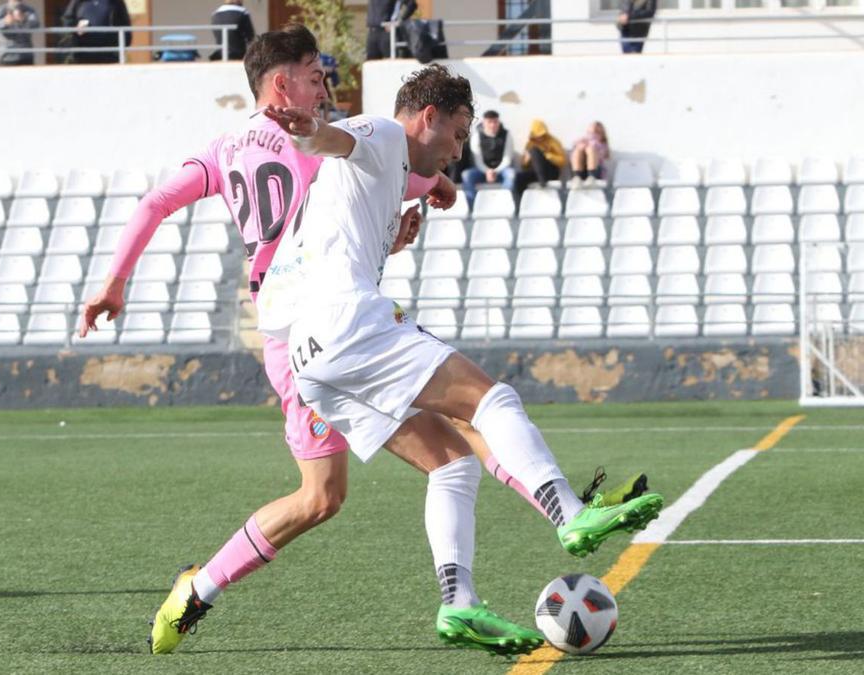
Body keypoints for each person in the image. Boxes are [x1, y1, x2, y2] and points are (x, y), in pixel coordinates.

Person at [78, 26, 640, 656]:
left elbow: (163, 201)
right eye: (317, 73)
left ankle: (203, 590)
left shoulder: (223, 150)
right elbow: (347, 144)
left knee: (378, 480)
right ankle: (568, 512)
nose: (327, 84)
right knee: (481, 408)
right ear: (281, 82)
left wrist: (114, 282)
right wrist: (415, 177)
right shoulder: (325, 133)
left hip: (290, 337)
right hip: (331, 317)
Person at [259, 64, 664, 652]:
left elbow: (341, 204)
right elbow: (333, 138)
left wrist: (389, 236)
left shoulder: (387, 171)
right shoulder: (384, 134)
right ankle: (569, 512)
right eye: (457, 131)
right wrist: (309, 128)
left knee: (452, 464)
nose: (458, 147)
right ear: (428, 117)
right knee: (491, 400)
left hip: (312, 359)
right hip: (348, 324)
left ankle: (460, 603)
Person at [460, 110, 516, 207]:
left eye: (495, 122)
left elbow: (507, 158)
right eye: (490, 122)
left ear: (498, 122)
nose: (493, 125)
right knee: (467, 175)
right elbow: (477, 159)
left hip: (501, 171)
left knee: (511, 174)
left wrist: (495, 171)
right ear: (484, 123)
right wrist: (487, 171)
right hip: (481, 170)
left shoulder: (507, 134)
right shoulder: (476, 135)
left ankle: (504, 205)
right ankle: (472, 207)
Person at [61, 0, 131, 65]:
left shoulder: (115, 2)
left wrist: (119, 50)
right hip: (82, 56)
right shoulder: (79, 2)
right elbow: (67, 21)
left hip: (109, 56)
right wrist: (76, 27)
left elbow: (125, 26)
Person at [514, 119, 565, 200]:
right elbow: (523, 166)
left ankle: (542, 182)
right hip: (536, 173)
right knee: (519, 177)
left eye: (542, 135)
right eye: (538, 135)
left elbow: (562, 161)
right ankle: (520, 203)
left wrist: (548, 155)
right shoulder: (530, 144)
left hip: (550, 171)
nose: (540, 137)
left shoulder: (553, 141)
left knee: (534, 150)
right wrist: (526, 161)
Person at [0, 0, 42, 66]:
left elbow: (36, 24)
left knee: (27, 76)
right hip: (8, 55)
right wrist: (5, 22)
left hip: (26, 55)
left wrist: (24, 19)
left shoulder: (29, 10)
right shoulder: (1, 9)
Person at [570, 121, 610, 187]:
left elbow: (602, 154)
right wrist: (581, 146)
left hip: (596, 172)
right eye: (591, 133)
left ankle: (592, 176)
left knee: (590, 149)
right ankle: (577, 176)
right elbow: (573, 156)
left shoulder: (602, 144)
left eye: (597, 132)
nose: (594, 135)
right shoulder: (582, 141)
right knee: (578, 150)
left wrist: (588, 146)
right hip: (582, 170)